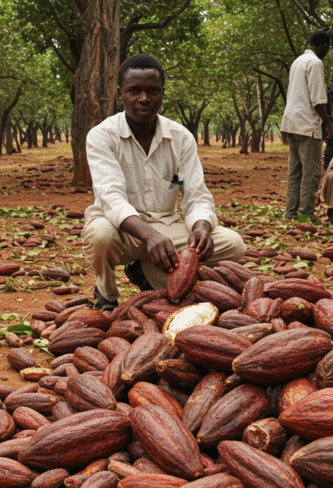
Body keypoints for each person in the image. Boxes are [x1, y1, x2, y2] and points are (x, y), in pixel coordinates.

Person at [82, 54, 246, 311]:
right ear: (119, 94)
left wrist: (201, 228)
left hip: (167, 229)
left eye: (153, 91)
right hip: (122, 231)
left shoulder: (180, 138)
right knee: (100, 236)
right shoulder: (102, 136)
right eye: (134, 91)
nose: (144, 99)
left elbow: (195, 194)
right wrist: (149, 237)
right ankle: (106, 294)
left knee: (233, 243)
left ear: (162, 93)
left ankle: (144, 272)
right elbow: (111, 198)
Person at [280, 30, 333, 224]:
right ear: (325, 46)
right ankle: (306, 214)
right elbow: (318, 100)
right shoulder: (315, 63)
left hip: (291, 123)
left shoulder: (297, 62)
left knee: (295, 171)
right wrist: (329, 125)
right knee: (311, 173)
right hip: (306, 124)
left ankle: (291, 212)